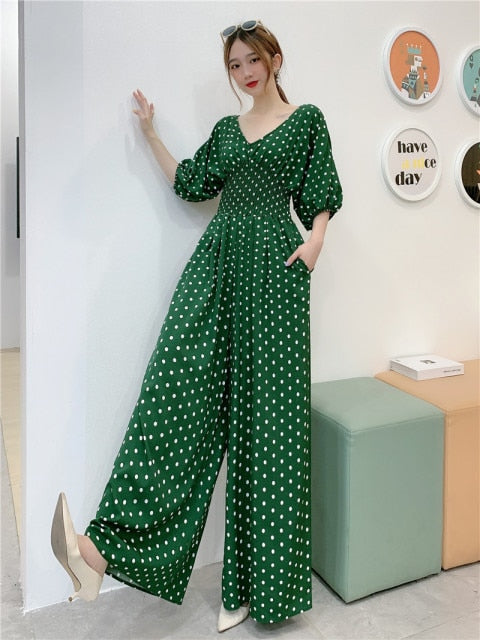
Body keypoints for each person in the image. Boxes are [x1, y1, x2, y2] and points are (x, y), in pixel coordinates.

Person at [51, 20, 342, 632]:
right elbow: (190, 183)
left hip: (277, 279)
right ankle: (100, 551)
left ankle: (257, 589)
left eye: (252, 59)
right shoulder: (227, 132)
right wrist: (151, 134)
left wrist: (315, 239)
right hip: (217, 271)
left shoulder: (307, 120)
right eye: (234, 65)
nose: (245, 72)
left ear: (274, 58)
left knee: (269, 434)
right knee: (175, 399)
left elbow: (320, 191)